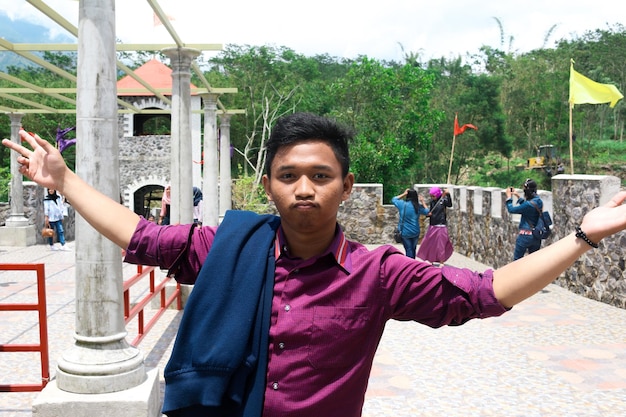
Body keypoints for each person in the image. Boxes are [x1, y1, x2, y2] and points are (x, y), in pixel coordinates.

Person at [4, 113, 626, 417]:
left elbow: (486, 292)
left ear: (346, 187)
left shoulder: (378, 274)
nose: (305, 188)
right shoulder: (227, 249)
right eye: (289, 175)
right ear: (269, 186)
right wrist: (65, 181)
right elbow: (140, 236)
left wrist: (580, 238)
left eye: (321, 176)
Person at [506, 178, 543, 260]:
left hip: (525, 235)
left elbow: (511, 209)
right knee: (533, 261)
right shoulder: (539, 201)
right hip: (536, 236)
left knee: (517, 260)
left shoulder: (528, 205)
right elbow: (529, 206)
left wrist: (509, 197)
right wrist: (517, 196)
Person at [417, 186, 453, 264]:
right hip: (432, 225)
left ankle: (441, 262)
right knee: (430, 243)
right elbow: (430, 211)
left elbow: (450, 204)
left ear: (437, 194)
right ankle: (431, 260)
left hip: (441, 225)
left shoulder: (443, 200)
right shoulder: (432, 202)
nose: (432, 197)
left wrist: (448, 194)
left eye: (433, 196)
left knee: (441, 245)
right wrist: (424, 204)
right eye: (431, 196)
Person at [391, 188, 429, 258]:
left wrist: (404, 194)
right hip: (415, 232)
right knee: (413, 249)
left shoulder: (402, 204)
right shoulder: (418, 207)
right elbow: (427, 212)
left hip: (405, 232)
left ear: (408, 196)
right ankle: (413, 264)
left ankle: (410, 266)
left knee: (409, 250)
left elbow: (393, 199)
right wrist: (423, 201)